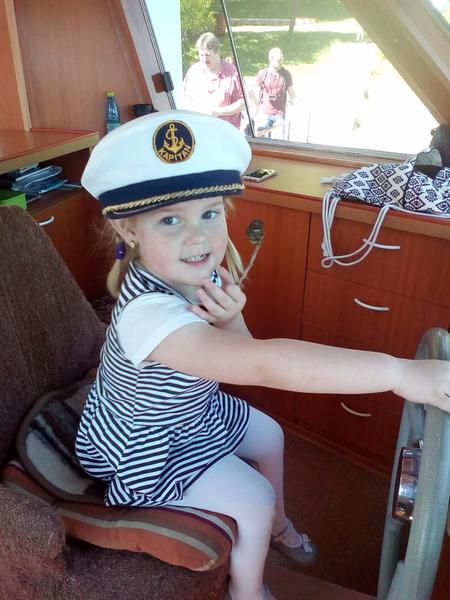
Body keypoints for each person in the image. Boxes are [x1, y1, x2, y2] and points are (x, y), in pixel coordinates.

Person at [76, 110, 450, 600]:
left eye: (210, 213)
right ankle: (247, 592)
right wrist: (397, 373)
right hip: (148, 439)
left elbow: (244, 352)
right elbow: (262, 364)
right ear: (129, 231)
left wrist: (231, 319)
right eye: (170, 220)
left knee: (270, 434)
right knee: (253, 497)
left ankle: (277, 525)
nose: (198, 236)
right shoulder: (148, 315)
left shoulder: (196, 275)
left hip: (191, 410)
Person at [183, 32, 245, 129]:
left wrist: (218, 111)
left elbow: (243, 103)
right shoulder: (193, 72)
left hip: (225, 131)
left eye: (207, 55)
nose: (204, 59)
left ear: (217, 52)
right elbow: (186, 99)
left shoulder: (233, 73)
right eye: (201, 55)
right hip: (198, 128)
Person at [254, 47, 295, 140]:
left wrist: (294, 100)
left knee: (277, 144)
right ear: (271, 59)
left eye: (282, 59)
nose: (281, 62)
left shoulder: (286, 74)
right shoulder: (262, 74)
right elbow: (255, 93)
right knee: (262, 143)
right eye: (279, 60)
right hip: (264, 115)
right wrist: (255, 110)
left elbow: (292, 93)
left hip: (280, 116)